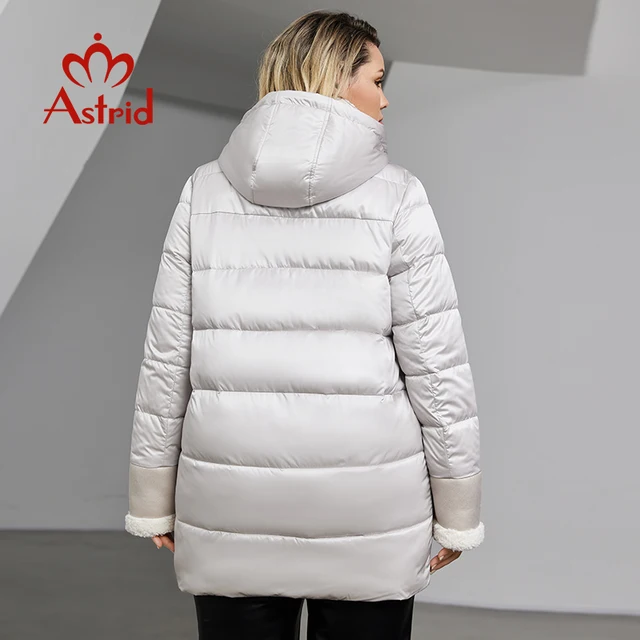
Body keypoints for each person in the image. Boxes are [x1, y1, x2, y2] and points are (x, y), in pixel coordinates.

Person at [124, 9, 484, 640]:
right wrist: (458, 510)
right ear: (336, 79)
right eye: (376, 80)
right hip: (367, 498)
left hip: (231, 493)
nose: (385, 99)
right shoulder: (399, 195)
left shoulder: (203, 191)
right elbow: (436, 366)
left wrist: (152, 497)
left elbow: (167, 357)